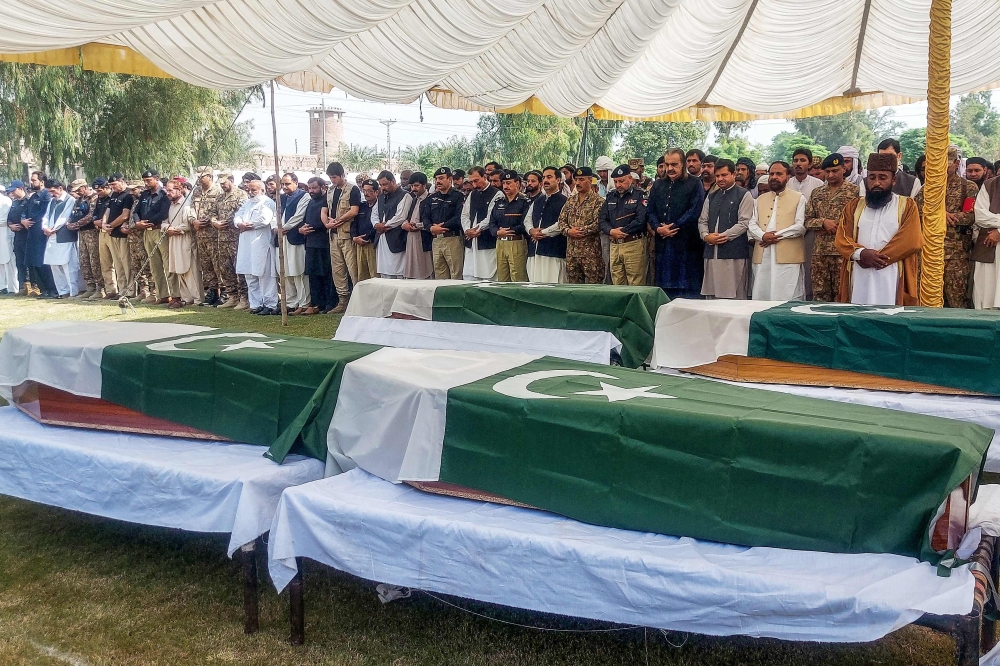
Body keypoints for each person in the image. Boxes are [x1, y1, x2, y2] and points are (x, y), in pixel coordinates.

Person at [835, 152, 923, 306]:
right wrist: (861, 254)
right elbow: (842, 237)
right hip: (859, 269)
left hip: (891, 272)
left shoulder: (907, 205)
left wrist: (877, 259)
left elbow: (911, 240)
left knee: (889, 314)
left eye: (883, 178)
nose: (876, 183)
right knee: (858, 313)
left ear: (893, 180)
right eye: (872, 177)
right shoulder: (854, 206)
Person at [915, 146, 978, 308]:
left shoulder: (968, 187)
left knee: (957, 302)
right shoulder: (927, 189)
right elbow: (915, 213)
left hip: (956, 256)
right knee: (928, 302)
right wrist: (939, 215)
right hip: (929, 253)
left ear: (956, 163)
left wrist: (944, 216)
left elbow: (971, 216)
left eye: (945, 164)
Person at [647, 148, 706, 299]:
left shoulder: (694, 183)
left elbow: (694, 211)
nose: (670, 168)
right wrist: (658, 228)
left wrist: (673, 227)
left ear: (683, 164)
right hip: (663, 245)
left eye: (674, 164)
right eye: (667, 164)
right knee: (664, 292)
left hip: (687, 246)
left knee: (687, 292)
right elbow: (650, 211)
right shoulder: (658, 185)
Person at [805, 153, 860, 302]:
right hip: (820, 254)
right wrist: (823, 222)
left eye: (835, 171)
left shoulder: (855, 192)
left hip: (843, 252)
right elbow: (807, 220)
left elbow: (860, 220)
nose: (830, 175)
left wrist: (838, 226)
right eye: (827, 171)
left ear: (844, 169)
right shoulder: (817, 193)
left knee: (843, 295)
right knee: (820, 295)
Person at [749, 161, 807, 301]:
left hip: (788, 255)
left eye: (779, 174)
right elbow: (751, 224)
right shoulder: (759, 200)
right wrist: (763, 236)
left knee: (788, 295)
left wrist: (775, 236)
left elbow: (800, 226)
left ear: (788, 177)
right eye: (772, 174)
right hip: (763, 254)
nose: (774, 177)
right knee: (761, 292)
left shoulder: (799, 198)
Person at [698, 159, 752, 299]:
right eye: (717, 176)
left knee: (734, 295)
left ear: (733, 174)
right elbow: (702, 220)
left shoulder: (744, 194)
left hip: (734, 253)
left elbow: (744, 223)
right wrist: (706, 236)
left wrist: (724, 236)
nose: (720, 179)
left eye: (724, 175)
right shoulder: (711, 196)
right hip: (711, 252)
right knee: (712, 295)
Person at [234, 179, 278, 315]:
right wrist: (239, 224)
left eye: (254, 190)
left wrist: (247, 225)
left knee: (265, 275)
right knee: (250, 274)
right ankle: (256, 304)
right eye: (249, 190)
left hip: (261, 243)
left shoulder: (268, 202)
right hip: (247, 244)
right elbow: (237, 216)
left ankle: (270, 304)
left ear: (262, 190)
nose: (251, 192)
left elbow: (264, 220)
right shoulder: (248, 203)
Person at [599, 164, 647, 285]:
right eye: (615, 181)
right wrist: (611, 231)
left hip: (633, 244)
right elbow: (602, 220)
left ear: (630, 179)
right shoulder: (610, 196)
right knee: (617, 284)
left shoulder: (639, 195)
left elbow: (641, 219)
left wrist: (622, 231)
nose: (618, 185)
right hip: (614, 245)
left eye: (621, 181)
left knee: (635, 283)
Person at [134, 169, 176, 304]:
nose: (146, 183)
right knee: (154, 265)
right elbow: (136, 211)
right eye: (144, 181)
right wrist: (137, 222)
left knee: (167, 264)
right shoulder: (145, 194)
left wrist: (148, 221)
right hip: (147, 232)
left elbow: (163, 213)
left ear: (157, 179)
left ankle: (175, 295)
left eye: (149, 180)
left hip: (159, 230)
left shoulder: (163, 194)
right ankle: (162, 294)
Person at [558, 166, 604, 283]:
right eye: (576, 179)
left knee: (594, 286)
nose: (578, 183)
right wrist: (569, 231)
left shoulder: (598, 201)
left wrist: (580, 231)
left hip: (591, 254)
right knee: (574, 287)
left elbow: (599, 223)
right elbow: (561, 221)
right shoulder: (571, 200)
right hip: (572, 254)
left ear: (590, 180)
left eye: (582, 179)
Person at [324, 162, 360, 314]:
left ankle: (358, 302)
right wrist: (327, 223)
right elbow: (325, 210)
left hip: (347, 235)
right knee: (338, 270)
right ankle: (342, 301)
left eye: (335, 177)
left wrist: (337, 220)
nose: (333, 180)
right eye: (331, 178)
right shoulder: (330, 190)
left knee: (353, 269)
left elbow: (354, 211)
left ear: (342, 175)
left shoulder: (353, 189)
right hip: (333, 235)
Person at [210, 171, 249, 309]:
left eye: (224, 183)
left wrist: (229, 221)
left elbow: (243, 213)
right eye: (220, 183)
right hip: (222, 238)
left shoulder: (241, 194)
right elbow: (212, 213)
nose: (222, 186)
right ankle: (232, 296)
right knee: (225, 268)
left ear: (231, 180)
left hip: (236, 238)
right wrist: (214, 222)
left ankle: (244, 298)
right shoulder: (220, 197)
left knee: (239, 269)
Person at [299, 177, 335, 314]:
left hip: (324, 243)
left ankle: (328, 303)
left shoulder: (327, 201)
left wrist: (313, 227)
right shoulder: (310, 201)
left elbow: (327, 221)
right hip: (311, 243)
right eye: (310, 188)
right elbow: (304, 219)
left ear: (322, 187)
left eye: (314, 188)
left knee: (326, 274)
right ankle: (316, 304)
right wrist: (301, 229)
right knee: (313, 275)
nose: (311, 191)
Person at [163, 179, 201, 308]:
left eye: (170, 190)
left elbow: (188, 225)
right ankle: (186, 298)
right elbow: (164, 222)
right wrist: (167, 228)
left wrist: (174, 229)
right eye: (167, 190)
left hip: (184, 239)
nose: (168, 193)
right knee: (178, 270)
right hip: (173, 240)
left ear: (179, 190)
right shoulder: (170, 205)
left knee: (189, 270)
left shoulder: (186, 205)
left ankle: (197, 299)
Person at [526, 166, 568, 283]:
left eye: (549, 177)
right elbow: (527, 219)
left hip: (553, 251)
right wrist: (531, 231)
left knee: (553, 285)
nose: (545, 180)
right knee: (535, 285)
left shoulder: (565, 201)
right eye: (544, 177)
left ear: (558, 180)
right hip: (534, 251)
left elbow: (561, 223)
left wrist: (542, 233)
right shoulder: (538, 200)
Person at [461, 166, 501, 281]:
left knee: (488, 276)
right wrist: (467, 230)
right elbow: (464, 214)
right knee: (470, 276)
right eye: (472, 182)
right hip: (471, 240)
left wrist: (477, 229)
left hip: (486, 240)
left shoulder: (497, 194)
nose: (474, 185)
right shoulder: (472, 194)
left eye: (476, 181)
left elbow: (491, 217)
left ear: (484, 177)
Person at [424, 167, 466, 279]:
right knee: (440, 276)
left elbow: (459, 217)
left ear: (450, 179)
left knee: (456, 275)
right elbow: (425, 217)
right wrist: (430, 228)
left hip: (452, 239)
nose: (438, 181)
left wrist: (441, 227)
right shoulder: (432, 198)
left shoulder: (458, 196)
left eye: (441, 178)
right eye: (436, 179)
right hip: (436, 240)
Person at [278, 173, 311, 312]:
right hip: (282, 237)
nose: (284, 187)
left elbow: (299, 216)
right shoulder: (281, 197)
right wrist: (276, 227)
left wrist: (284, 228)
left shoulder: (304, 196)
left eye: (287, 184)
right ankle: (291, 303)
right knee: (285, 270)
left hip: (295, 237)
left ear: (296, 183)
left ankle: (304, 303)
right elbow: (275, 214)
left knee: (298, 270)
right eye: (283, 184)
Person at [41, 179, 80, 298]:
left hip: (65, 236)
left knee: (68, 265)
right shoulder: (52, 201)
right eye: (49, 192)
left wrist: (53, 229)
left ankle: (73, 291)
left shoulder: (70, 200)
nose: (51, 194)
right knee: (54, 265)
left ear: (60, 188)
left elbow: (64, 217)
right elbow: (46, 215)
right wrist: (45, 227)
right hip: (52, 236)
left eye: (53, 191)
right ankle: (63, 291)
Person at [490, 169, 530, 282]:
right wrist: (497, 232)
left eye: (508, 183)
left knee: (518, 278)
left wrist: (509, 231)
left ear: (517, 184)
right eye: (503, 183)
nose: (505, 186)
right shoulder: (499, 201)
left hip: (516, 242)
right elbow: (492, 222)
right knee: (502, 279)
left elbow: (525, 223)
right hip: (500, 242)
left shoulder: (524, 202)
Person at [191, 167, 223, 306]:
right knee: (206, 265)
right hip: (200, 234)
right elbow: (191, 208)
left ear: (210, 176)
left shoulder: (218, 191)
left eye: (202, 176)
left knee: (218, 264)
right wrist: (193, 220)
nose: (199, 178)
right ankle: (212, 291)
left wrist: (209, 220)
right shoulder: (196, 191)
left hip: (214, 234)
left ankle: (224, 292)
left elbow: (220, 210)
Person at [22, 171, 55, 298]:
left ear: (42, 181)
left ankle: (51, 289)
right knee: (34, 261)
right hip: (31, 232)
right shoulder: (33, 196)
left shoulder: (46, 195)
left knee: (43, 261)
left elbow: (44, 213)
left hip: (41, 233)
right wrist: (23, 220)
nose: (32, 182)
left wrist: (32, 220)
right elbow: (25, 210)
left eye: (34, 180)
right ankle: (43, 289)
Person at [68, 179, 101, 299]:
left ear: (85, 187)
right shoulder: (79, 200)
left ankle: (100, 288)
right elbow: (73, 214)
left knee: (94, 260)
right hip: (81, 233)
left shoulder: (94, 198)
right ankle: (90, 287)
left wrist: (76, 224)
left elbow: (90, 216)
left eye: (79, 189)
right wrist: (70, 222)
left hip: (92, 232)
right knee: (84, 260)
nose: (77, 192)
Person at [972, 173, 1000, 309]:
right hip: (988, 246)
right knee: (985, 296)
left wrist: (999, 231)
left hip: (993, 237)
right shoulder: (990, 185)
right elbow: (980, 216)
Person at [374, 170, 408, 279]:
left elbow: (401, 216)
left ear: (393, 181)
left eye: (385, 184)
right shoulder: (381, 196)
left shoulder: (404, 195)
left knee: (399, 275)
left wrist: (385, 226)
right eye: (381, 185)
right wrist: (376, 225)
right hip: (382, 238)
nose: (382, 187)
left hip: (396, 237)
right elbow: (374, 213)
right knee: (384, 275)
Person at [402, 172, 434, 279]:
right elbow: (407, 217)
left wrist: (417, 226)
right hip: (411, 237)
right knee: (412, 269)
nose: (413, 189)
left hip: (423, 238)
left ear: (424, 185)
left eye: (416, 185)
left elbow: (431, 221)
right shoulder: (413, 199)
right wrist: (405, 225)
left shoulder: (430, 199)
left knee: (425, 269)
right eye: (412, 186)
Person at [353, 179, 379, 282]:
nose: (366, 193)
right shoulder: (361, 206)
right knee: (362, 276)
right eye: (364, 190)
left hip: (372, 244)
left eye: (369, 191)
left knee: (374, 275)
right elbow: (354, 224)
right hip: (359, 244)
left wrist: (367, 237)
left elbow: (377, 226)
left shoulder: (380, 206)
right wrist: (354, 237)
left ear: (376, 192)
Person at [6, 181, 27, 294]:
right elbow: (9, 219)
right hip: (17, 236)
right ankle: (22, 286)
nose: (12, 193)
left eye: (14, 190)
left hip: (27, 235)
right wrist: (11, 226)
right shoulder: (14, 203)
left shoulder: (28, 201)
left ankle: (31, 286)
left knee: (27, 262)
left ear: (21, 188)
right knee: (19, 262)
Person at [0, 185, 14, 294]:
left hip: (5, 230)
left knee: (9, 259)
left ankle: (12, 287)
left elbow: (4, 219)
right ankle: (2, 285)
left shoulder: (6, 201)